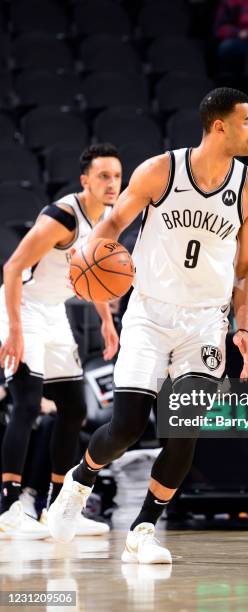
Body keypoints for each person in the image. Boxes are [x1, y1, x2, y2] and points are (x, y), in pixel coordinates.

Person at [48, 87, 248, 563]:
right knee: (126, 427)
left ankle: (144, 528)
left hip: (205, 321)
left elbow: (246, 269)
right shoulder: (160, 171)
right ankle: (80, 480)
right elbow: (110, 229)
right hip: (149, 312)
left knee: (184, 427)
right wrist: (90, 264)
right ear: (219, 126)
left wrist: (243, 328)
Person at [0, 143, 120, 539]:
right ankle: (10, 506)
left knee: (73, 408)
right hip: (20, 307)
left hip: (52, 312)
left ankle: (58, 508)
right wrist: (14, 331)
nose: (112, 184)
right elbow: (13, 267)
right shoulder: (63, 216)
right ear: (85, 179)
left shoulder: (107, 220)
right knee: (28, 403)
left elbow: (93, 273)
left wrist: (106, 319)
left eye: (117, 177)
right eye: (104, 176)